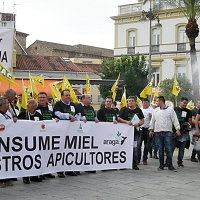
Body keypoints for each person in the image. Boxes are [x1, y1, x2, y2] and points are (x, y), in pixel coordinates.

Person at [149, 96, 180, 172]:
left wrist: (177, 129)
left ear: (161, 101)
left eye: (157, 101)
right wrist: (151, 130)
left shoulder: (170, 110)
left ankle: (170, 165)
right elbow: (152, 121)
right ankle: (161, 165)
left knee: (168, 149)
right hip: (158, 133)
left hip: (167, 133)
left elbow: (175, 120)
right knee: (160, 149)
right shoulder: (156, 110)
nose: (156, 103)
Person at [53, 90, 80, 177]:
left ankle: (69, 169)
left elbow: (78, 113)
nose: (68, 97)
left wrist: (75, 118)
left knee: (70, 149)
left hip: (71, 131)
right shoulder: (58, 104)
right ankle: (60, 170)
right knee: (61, 150)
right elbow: (57, 113)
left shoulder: (73, 105)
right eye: (66, 95)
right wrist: (68, 116)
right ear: (62, 96)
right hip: (62, 131)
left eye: (69, 95)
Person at [18, 99, 43, 184]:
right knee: (26, 158)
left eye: (30, 103)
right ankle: (25, 176)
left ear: (35, 106)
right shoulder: (22, 114)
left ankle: (34, 175)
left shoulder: (39, 115)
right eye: (27, 103)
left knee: (35, 157)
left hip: (35, 140)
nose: (28, 105)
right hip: (25, 140)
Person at [36, 92, 59, 179]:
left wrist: (56, 119)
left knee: (48, 153)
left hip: (49, 134)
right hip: (40, 134)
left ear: (47, 99)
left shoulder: (50, 107)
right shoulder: (36, 107)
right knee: (40, 153)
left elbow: (54, 116)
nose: (42, 99)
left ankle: (47, 171)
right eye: (40, 97)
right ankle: (40, 171)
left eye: (43, 97)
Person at [118, 96, 144, 170]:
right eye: (129, 101)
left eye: (132, 101)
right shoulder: (123, 110)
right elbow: (119, 118)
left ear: (135, 102)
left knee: (135, 148)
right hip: (126, 133)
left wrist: (138, 124)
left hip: (136, 133)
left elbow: (142, 120)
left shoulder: (139, 110)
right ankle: (124, 163)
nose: (131, 102)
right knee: (125, 147)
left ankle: (134, 163)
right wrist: (126, 122)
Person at [76, 94, 98, 173]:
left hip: (90, 132)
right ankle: (78, 167)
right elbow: (76, 117)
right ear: (82, 99)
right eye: (88, 98)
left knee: (89, 150)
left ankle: (88, 167)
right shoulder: (78, 107)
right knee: (80, 150)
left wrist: (96, 119)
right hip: (81, 132)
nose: (90, 99)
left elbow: (94, 117)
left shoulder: (91, 107)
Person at [0, 97, 17, 188]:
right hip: (1, 140)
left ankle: (7, 178)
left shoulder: (8, 114)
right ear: (2, 105)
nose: (9, 105)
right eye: (7, 103)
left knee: (7, 160)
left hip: (8, 140)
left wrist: (14, 119)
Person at [172, 97, 192, 167]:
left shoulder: (188, 111)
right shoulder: (174, 109)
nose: (185, 104)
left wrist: (188, 123)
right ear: (180, 102)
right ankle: (167, 161)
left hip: (184, 132)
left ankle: (180, 161)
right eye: (184, 103)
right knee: (172, 147)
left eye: (186, 103)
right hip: (175, 131)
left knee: (182, 148)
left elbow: (190, 120)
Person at [137, 98, 154, 165]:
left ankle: (145, 159)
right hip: (140, 129)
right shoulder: (139, 110)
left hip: (147, 129)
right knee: (138, 145)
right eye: (144, 102)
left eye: (146, 102)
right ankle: (138, 159)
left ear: (149, 103)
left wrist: (151, 116)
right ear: (142, 103)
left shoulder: (152, 110)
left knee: (147, 145)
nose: (145, 104)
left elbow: (154, 119)